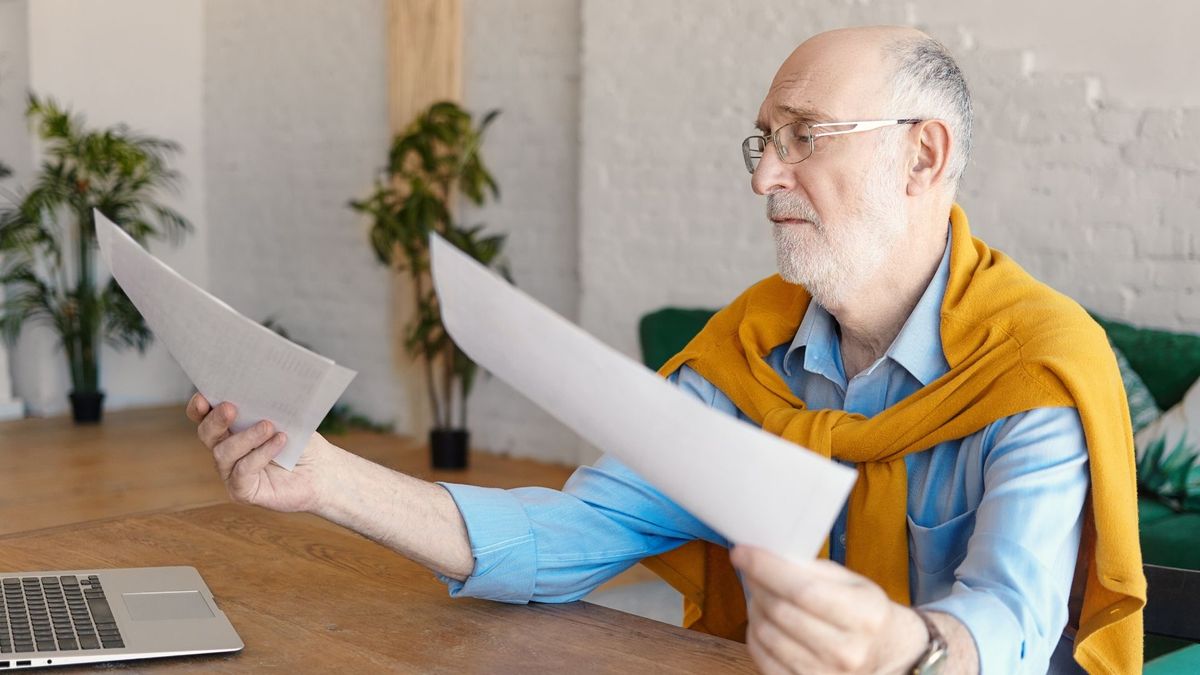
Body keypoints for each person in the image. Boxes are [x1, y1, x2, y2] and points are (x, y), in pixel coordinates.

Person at [186, 25, 1145, 675]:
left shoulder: (1038, 363)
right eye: (763, 140)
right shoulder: (749, 351)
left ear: (923, 157)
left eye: (805, 136)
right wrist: (323, 477)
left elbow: (1018, 621)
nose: (767, 174)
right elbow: (573, 536)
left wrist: (906, 651)